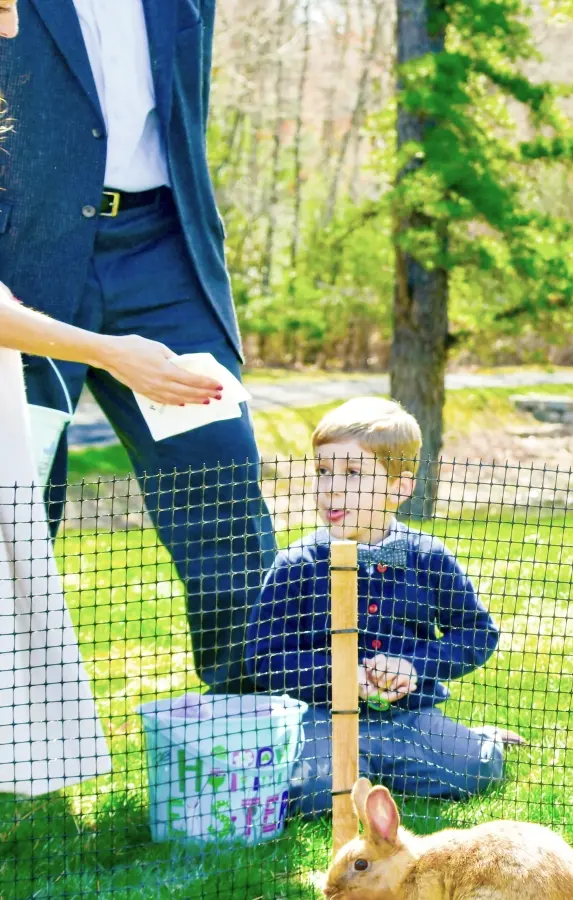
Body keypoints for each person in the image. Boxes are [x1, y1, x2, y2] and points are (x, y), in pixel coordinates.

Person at [0, 0, 277, 695]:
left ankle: (256, 717)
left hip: (162, 252)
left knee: (220, 479)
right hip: (24, 263)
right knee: (20, 503)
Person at [244, 398, 523, 817]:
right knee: (313, 796)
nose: (331, 488)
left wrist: (414, 667)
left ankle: (483, 740)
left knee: (473, 771)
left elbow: (478, 634)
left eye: (352, 474)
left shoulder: (428, 557)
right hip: (326, 719)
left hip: (409, 717)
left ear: (400, 487)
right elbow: (263, 658)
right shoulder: (297, 563)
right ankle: (360, 772)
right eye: (322, 472)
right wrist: (342, 677)